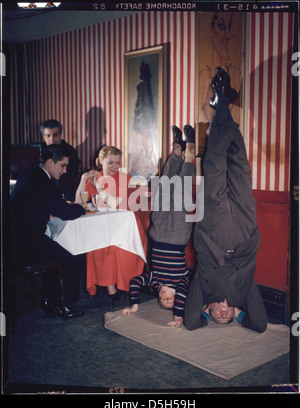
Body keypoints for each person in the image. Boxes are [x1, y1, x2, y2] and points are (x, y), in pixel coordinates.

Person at [184, 67, 268, 333]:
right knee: (240, 168)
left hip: (213, 232)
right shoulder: (243, 295)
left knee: (216, 165)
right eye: (226, 317)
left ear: (208, 309)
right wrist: (241, 315)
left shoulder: (204, 290)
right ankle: (224, 105)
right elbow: (261, 325)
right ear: (234, 312)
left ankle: (222, 98)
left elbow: (190, 322)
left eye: (217, 316)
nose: (223, 313)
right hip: (245, 234)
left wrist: (205, 315)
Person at [122, 127, 196, 327]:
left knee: (164, 187)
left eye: (161, 300)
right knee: (180, 189)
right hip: (178, 235)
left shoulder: (154, 280)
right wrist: (178, 315)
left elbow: (135, 282)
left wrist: (135, 305)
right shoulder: (182, 283)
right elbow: (182, 294)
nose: (164, 298)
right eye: (169, 300)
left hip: (158, 232)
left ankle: (177, 147)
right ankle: (190, 148)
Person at [10, 144, 86, 318]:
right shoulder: (44, 182)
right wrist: (82, 208)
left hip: (14, 243)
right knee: (74, 256)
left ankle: (50, 301)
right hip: (29, 245)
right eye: (63, 165)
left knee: (59, 247)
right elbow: (66, 213)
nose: (65, 171)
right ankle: (63, 304)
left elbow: (30, 205)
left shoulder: (27, 176)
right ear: (51, 163)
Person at [75, 146, 147, 301]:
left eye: (117, 163)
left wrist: (98, 186)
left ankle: (123, 288)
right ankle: (112, 290)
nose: (115, 167)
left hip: (126, 226)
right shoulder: (95, 177)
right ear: (101, 161)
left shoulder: (123, 178)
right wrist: (83, 179)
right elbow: (78, 202)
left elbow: (115, 204)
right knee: (97, 245)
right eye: (110, 163)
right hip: (104, 225)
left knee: (116, 248)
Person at [40, 119, 80, 201]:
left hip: (63, 194)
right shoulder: (40, 150)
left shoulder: (70, 152)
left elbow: (68, 179)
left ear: (60, 135)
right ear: (43, 137)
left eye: (55, 135)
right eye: (48, 135)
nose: (52, 139)